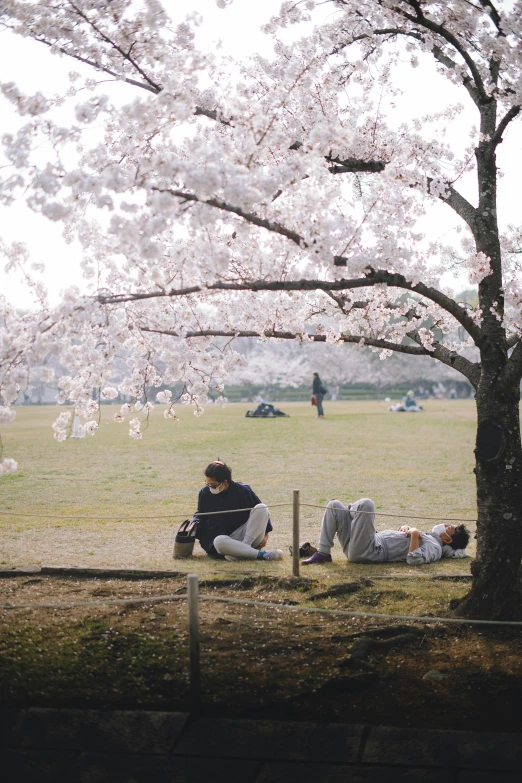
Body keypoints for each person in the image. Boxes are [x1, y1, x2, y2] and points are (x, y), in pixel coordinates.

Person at [301, 498, 470, 565]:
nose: (445, 524)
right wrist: (407, 530)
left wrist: (415, 533)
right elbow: (407, 543)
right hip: (366, 543)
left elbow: (415, 559)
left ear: (448, 540)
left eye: (450, 527)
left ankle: (351, 511)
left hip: (372, 550)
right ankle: (323, 553)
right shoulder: (430, 537)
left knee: (367, 505)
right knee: (334, 505)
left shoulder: (436, 548)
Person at [194, 461, 282, 561]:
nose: (210, 488)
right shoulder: (204, 493)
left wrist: (266, 536)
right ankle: (258, 554)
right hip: (225, 541)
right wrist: (194, 523)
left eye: (213, 485)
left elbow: (262, 516)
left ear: (225, 482)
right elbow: (200, 515)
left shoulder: (243, 491)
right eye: (207, 484)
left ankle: (242, 551)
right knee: (218, 541)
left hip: (248, 537)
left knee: (262, 508)